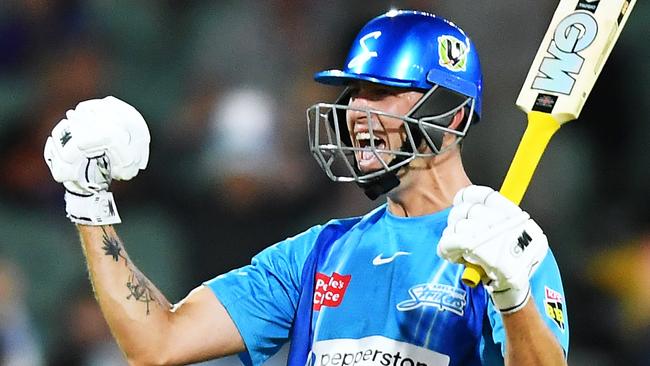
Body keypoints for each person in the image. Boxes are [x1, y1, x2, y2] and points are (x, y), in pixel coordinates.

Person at [43, 10, 569, 366]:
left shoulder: (510, 248)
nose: (358, 111)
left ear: (451, 112)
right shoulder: (318, 254)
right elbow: (158, 342)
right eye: (356, 92)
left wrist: (513, 294)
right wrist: (89, 202)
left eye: (384, 93)